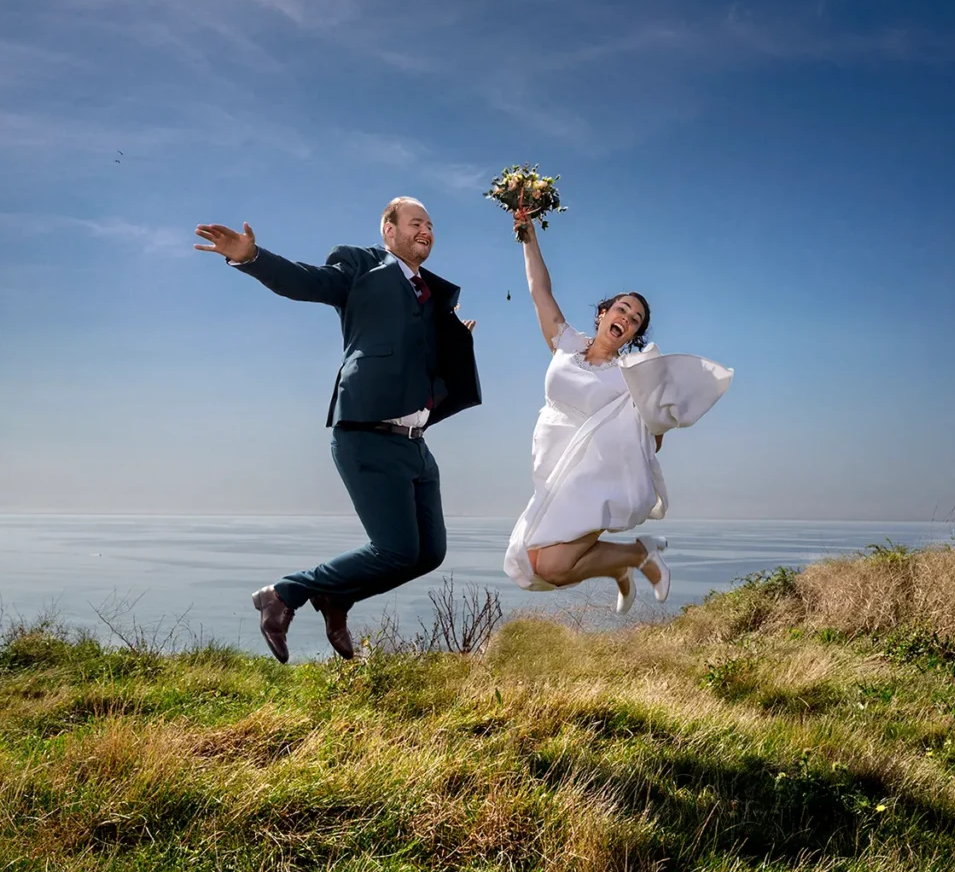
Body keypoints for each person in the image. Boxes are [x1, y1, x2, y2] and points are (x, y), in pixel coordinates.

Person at [194, 198, 481, 662]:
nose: (426, 230)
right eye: (416, 223)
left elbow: (424, 360)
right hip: (366, 429)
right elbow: (308, 281)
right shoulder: (361, 265)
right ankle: (284, 595)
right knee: (393, 549)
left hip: (416, 443)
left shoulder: (431, 296)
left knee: (428, 553)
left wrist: (453, 343)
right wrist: (251, 257)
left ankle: (338, 596)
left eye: (430, 225)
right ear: (388, 229)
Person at [503, 211, 671, 613]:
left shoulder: (629, 377)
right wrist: (528, 237)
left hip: (592, 480)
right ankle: (627, 560)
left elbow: (653, 436)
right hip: (551, 467)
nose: (626, 319)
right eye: (622, 310)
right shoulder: (566, 342)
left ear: (633, 335)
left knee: (552, 567)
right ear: (603, 313)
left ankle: (635, 557)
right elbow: (538, 288)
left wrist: (658, 413)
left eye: (635, 321)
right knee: (536, 563)